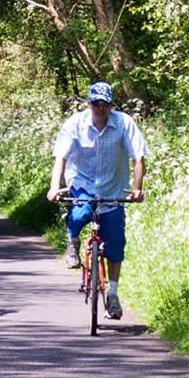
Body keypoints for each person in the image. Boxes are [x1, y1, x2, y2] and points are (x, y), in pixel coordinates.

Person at [46, 80, 147, 320]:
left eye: (105, 104)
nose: (100, 108)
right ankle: (72, 241)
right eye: (96, 103)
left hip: (113, 188)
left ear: (111, 105)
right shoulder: (75, 124)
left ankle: (112, 294)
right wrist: (54, 187)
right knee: (80, 213)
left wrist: (137, 188)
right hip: (82, 182)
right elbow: (60, 157)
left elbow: (139, 157)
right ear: (89, 104)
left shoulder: (124, 124)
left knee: (115, 243)